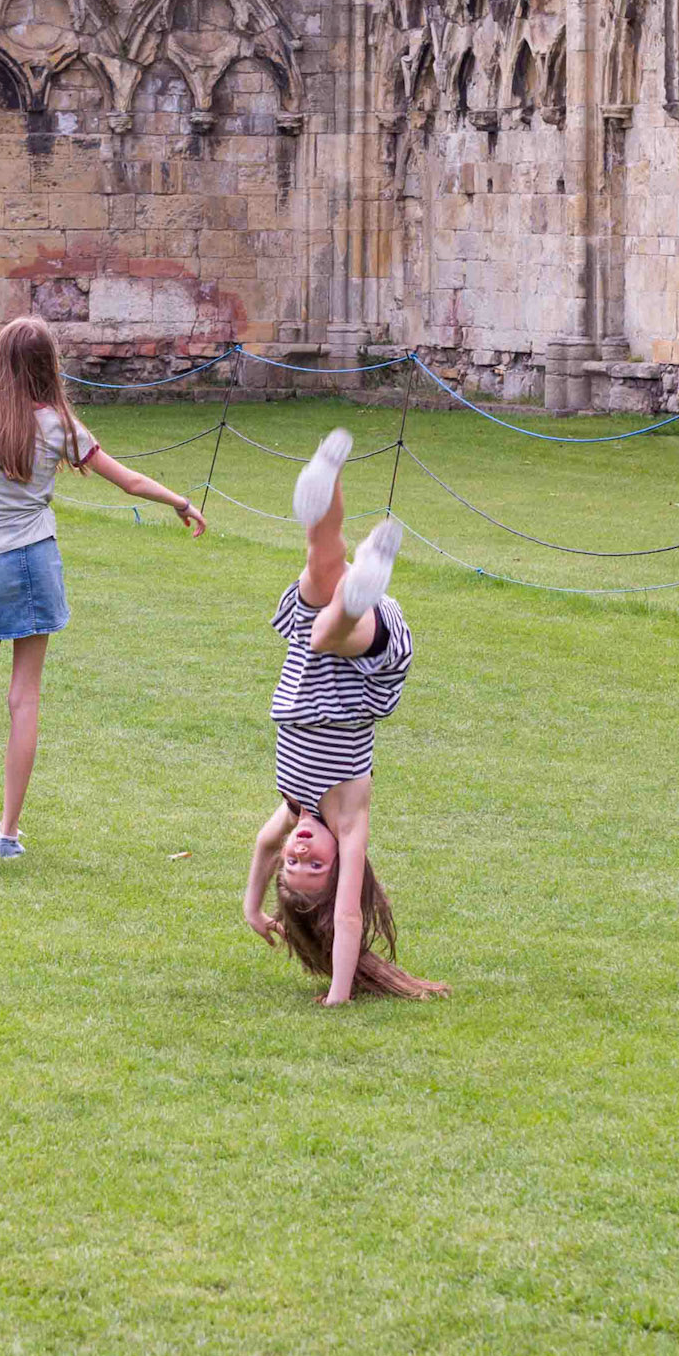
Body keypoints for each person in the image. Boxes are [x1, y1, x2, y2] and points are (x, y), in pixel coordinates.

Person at [0, 315, 206, 862]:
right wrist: (177, 500)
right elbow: (126, 479)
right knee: (24, 699)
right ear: (46, 365)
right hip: (38, 563)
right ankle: (8, 833)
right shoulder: (59, 423)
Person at [241, 430, 448, 1004]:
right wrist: (337, 994)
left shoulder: (290, 808)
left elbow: (261, 848)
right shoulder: (350, 819)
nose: (300, 850)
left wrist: (253, 907)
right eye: (315, 865)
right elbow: (350, 922)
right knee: (331, 628)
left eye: (294, 863)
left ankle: (322, 485)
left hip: (310, 676)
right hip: (362, 677)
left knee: (321, 557)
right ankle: (360, 592)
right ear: (337, 876)